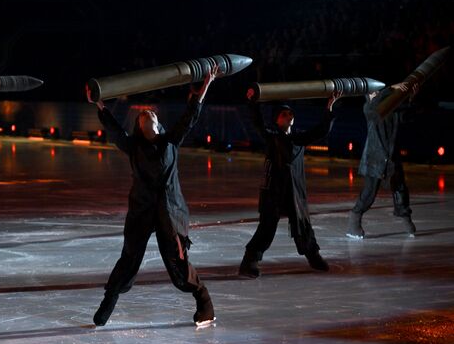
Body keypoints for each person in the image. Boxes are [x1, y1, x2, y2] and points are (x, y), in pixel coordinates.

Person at [88, 65, 218, 327]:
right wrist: (100, 104)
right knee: (129, 256)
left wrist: (204, 89)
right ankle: (109, 299)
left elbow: (189, 118)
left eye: (151, 113)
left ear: (158, 124)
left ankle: (204, 302)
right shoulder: (133, 146)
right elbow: (114, 130)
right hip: (142, 210)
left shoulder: (170, 142)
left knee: (178, 263)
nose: (147, 112)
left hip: (170, 212)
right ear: (138, 125)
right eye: (142, 114)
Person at [239, 89, 341, 278]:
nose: (288, 116)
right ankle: (249, 262)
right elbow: (257, 123)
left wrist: (329, 108)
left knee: (302, 225)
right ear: (276, 120)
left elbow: (321, 130)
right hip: (274, 192)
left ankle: (313, 255)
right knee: (267, 228)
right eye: (283, 114)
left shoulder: (299, 139)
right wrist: (252, 102)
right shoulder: (271, 137)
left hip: (294, 192)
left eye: (290, 114)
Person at [346, 82, 418, 239]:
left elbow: (408, 117)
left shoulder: (393, 110)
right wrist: (392, 88)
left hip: (392, 157)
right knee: (369, 193)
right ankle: (354, 219)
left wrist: (410, 97)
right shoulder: (370, 109)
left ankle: (405, 217)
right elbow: (376, 104)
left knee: (400, 190)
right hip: (375, 157)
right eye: (372, 94)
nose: (375, 95)